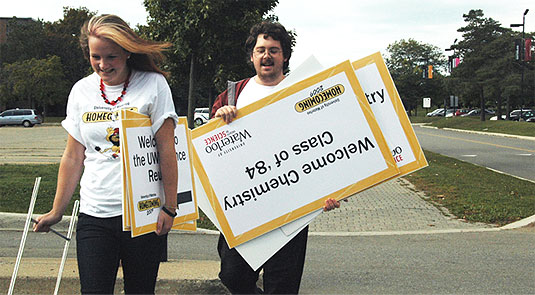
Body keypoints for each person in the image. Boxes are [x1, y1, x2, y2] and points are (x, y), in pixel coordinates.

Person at [33, 14, 178, 294]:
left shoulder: (153, 85)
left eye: (111, 57)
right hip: (95, 214)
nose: (103, 64)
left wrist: (169, 207)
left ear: (127, 51)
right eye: (95, 56)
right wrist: (56, 211)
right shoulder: (81, 91)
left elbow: (166, 149)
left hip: (142, 214)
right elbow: (74, 156)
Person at [211, 21, 341, 294]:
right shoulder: (233, 94)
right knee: (232, 274)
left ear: (285, 56)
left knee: (282, 286)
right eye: (260, 50)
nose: (266, 56)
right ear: (251, 56)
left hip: (291, 208)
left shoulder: (303, 90)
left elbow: (324, 143)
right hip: (244, 205)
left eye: (274, 50)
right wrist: (218, 118)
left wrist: (332, 190)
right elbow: (209, 146)